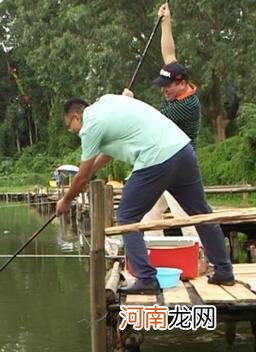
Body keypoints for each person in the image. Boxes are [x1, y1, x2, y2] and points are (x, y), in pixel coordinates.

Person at [55, 94, 234, 293]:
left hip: (156, 158)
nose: (73, 132)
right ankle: (224, 271)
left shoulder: (90, 126)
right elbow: (106, 155)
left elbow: (80, 177)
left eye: (70, 127)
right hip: (182, 151)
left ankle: (146, 279)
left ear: (75, 117)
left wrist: (65, 201)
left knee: (127, 216)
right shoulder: (108, 102)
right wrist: (89, 174)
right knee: (201, 213)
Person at [123, 2, 201, 237]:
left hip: (180, 167)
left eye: (167, 86)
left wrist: (129, 103)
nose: (163, 90)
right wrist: (166, 22)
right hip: (160, 162)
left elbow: (150, 122)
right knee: (148, 216)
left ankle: (199, 259)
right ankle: (150, 256)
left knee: (187, 219)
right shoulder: (180, 86)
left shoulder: (186, 106)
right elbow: (169, 54)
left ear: (181, 83)